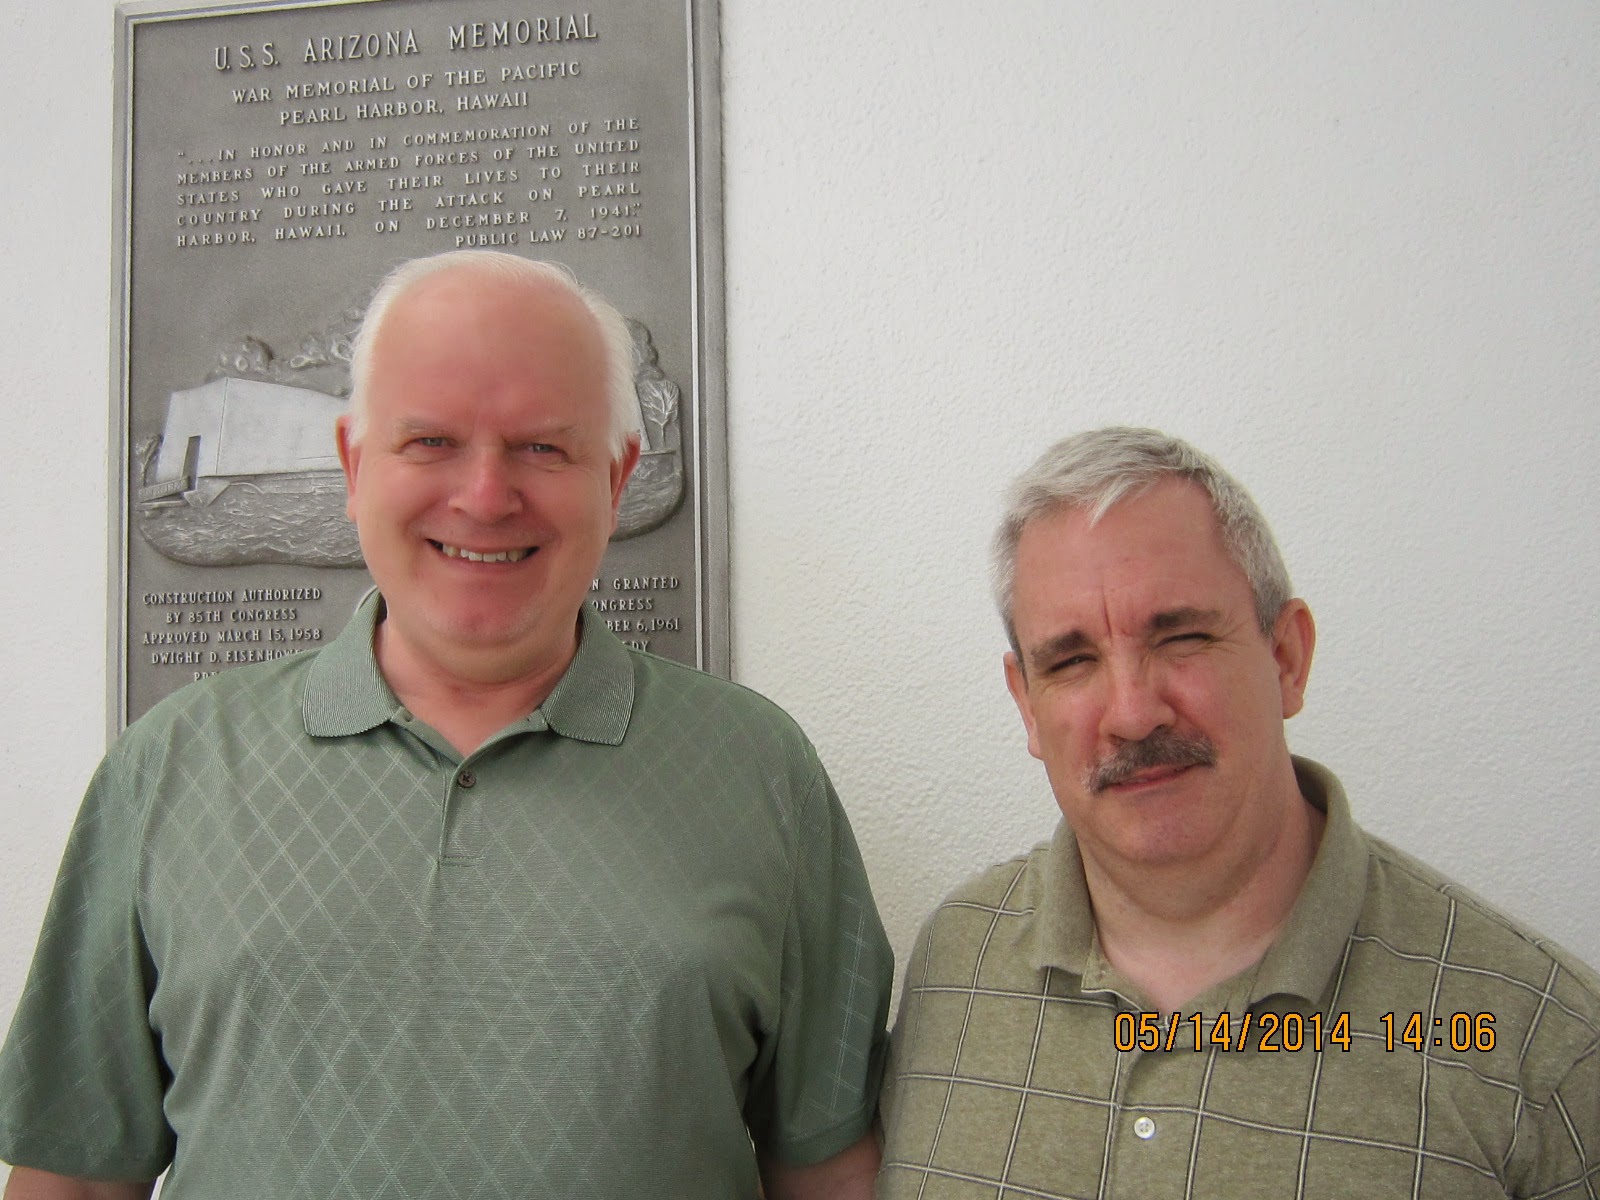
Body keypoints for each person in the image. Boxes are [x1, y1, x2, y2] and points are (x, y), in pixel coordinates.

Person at [0, 251, 892, 1200]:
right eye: (430, 442)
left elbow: (827, 1170)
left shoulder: (763, 774)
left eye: (543, 446)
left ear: (619, 475)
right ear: (352, 464)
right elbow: (78, 1180)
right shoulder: (169, 767)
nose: (483, 496)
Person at [877, 426, 1600, 1198]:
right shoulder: (955, 966)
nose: (1132, 713)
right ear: (1026, 705)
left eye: (1181, 636)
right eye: (1073, 660)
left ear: (1287, 658)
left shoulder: (1542, 1047)